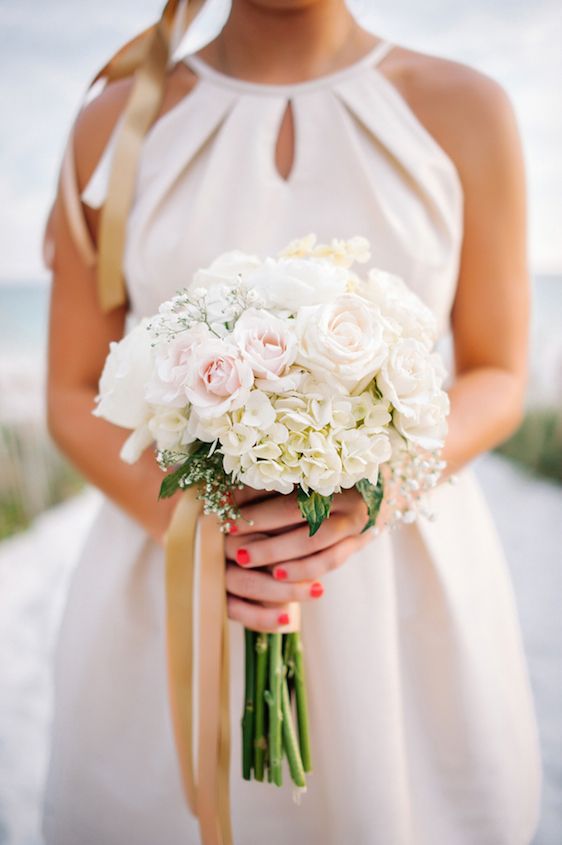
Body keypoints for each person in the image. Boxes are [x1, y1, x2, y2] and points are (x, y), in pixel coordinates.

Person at [41, 0, 542, 842]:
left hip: (400, 583)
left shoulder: (466, 106)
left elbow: (498, 371)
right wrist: (207, 536)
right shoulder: (117, 124)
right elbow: (69, 389)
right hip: (176, 576)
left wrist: (381, 489)